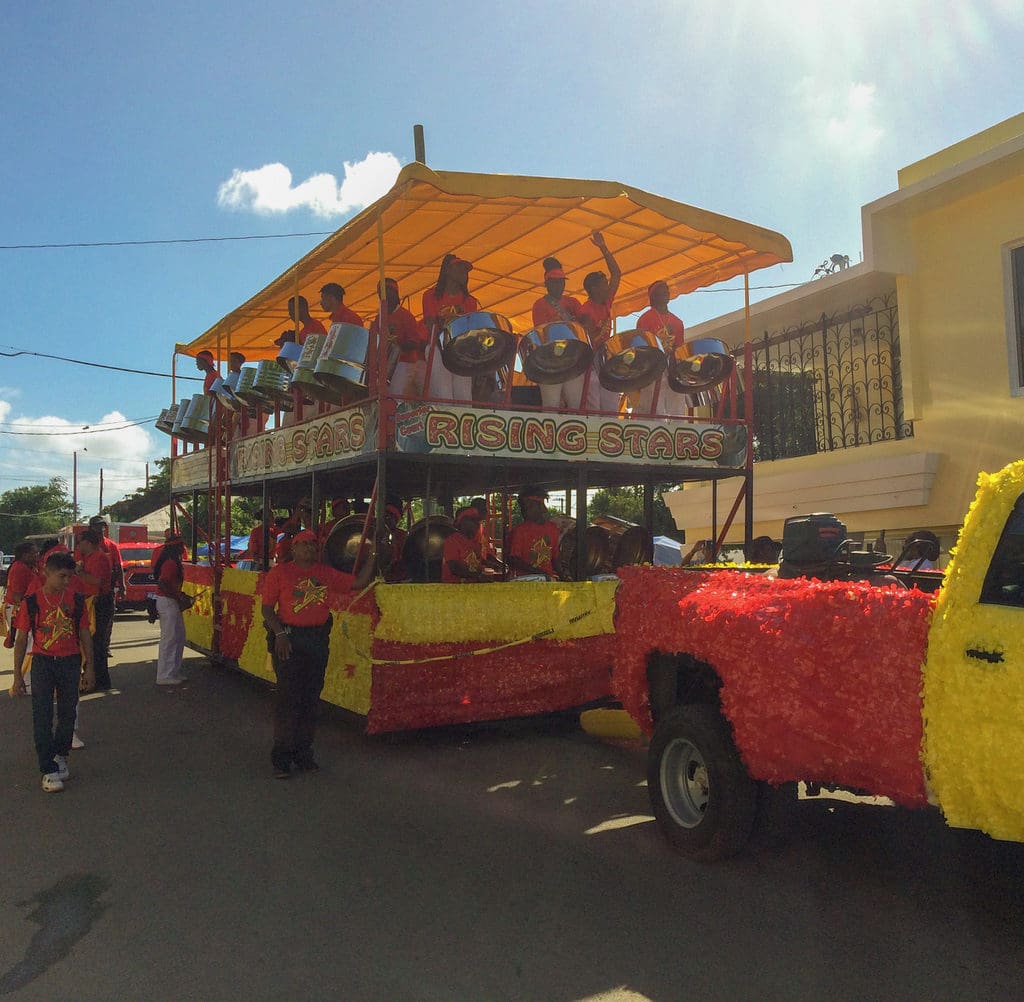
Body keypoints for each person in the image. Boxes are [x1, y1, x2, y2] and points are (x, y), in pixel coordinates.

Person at [260, 529, 373, 778]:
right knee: (289, 699)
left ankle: (303, 754)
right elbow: (267, 609)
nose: (310, 548)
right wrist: (279, 634)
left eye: (313, 544)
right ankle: (281, 759)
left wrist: (373, 557)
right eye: (304, 544)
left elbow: (357, 583)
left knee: (310, 700)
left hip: (317, 639)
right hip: (289, 639)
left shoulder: (325, 573)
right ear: (294, 549)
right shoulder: (280, 572)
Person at [10, 551, 94, 793]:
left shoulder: (77, 601)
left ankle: (60, 755)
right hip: (43, 662)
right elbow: (21, 638)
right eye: (62, 576)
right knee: (42, 715)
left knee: (69, 713)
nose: (66, 582)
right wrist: (17, 676)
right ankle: (47, 768)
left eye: (69, 577)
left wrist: (90, 666)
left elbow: (85, 634)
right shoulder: (32, 602)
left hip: (70, 661)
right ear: (47, 573)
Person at [422, 254, 479, 402]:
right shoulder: (430, 295)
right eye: (460, 268)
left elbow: (471, 331)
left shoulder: (470, 301)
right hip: (438, 348)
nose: (464, 273)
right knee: (443, 395)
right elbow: (430, 324)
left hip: (461, 350)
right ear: (448, 270)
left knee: (464, 398)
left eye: (466, 270)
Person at [532, 257, 585, 410]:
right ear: (547, 283)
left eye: (562, 281)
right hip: (550, 360)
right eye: (555, 281)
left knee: (577, 405)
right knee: (551, 405)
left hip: (572, 359)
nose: (559, 285)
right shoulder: (540, 305)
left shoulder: (573, 303)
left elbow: (582, 328)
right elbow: (542, 333)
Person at [577, 231, 622, 413]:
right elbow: (587, 341)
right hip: (590, 363)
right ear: (593, 289)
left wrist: (603, 246)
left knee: (611, 406)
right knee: (593, 407)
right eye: (604, 283)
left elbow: (617, 273)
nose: (608, 285)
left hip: (604, 360)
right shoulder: (585, 311)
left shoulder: (606, 302)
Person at [636, 280, 688, 416]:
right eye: (662, 290)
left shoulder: (678, 322)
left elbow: (679, 347)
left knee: (676, 402)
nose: (666, 292)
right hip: (652, 367)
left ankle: (677, 430)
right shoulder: (645, 319)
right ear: (653, 296)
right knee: (653, 403)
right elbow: (642, 347)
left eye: (667, 290)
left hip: (672, 367)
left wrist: (676, 367)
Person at [372, 278, 429, 398]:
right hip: (385, 364)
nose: (385, 296)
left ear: (395, 294)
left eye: (389, 292)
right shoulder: (379, 318)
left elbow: (414, 343)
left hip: (405, 362)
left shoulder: (406, 316)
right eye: (382, 293)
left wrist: (396, 343)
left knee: (395, 394)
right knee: (381, 395)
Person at [75, 529, 113, 690]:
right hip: (90, 602)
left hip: (99, 603)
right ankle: (93, 679)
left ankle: (99, 681)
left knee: (97, 644)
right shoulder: (88, 557)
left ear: (88, 543)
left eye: (79, 542)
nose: (77, 546)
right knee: (89, 642)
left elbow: (96, 581)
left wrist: (80, 572)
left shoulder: (99, 558)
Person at [153, 534, 189, 686]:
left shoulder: (172, 561)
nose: (183, 548)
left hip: (170, 601)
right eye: (181, 545)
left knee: (178, 636)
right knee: (169, 638)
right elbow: (163, 583)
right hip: (168, 602)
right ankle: (164, 675)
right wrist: (178, 596)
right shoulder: (170, 563)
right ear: (175, 547)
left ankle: (173, 671)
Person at [88, 516, 123, 659]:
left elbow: (118, 567)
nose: (99, 529)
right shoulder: (85, 545)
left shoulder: (111, 545)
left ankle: (105, 646)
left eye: (102, 526)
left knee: (107, 621)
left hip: (107, 590)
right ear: (91, 528)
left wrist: (122, 586)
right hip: (89, 592)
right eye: (96, 526)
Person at [506, 489, 560, 579]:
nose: (524, 511)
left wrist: (563, 577)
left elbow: (554, 558)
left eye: (529, 506)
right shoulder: (519, 531)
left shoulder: (553, 528)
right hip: (525, 582)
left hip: (546, 581)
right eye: (523, 508)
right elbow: (514, 560)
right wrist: (539, 573)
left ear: (541, 507)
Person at [3, 540, 39, 653]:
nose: (37, 555)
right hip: (17, 609)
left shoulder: (26, 566)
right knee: (24, 641)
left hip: (18, 608)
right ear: (25, 555)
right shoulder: (20, 568)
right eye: (34, 553)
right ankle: (23, 668)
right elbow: (17, 596)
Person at [442, 507, 493, 582]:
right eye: (473, 520)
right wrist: (478, 576)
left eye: (478, 521)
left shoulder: (474, 541)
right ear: (463, 522)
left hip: (473, 585)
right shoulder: (452, 541)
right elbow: (455, 568)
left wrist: (492, 564)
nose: (477, 524)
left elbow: (478, 560)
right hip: (454, 587)